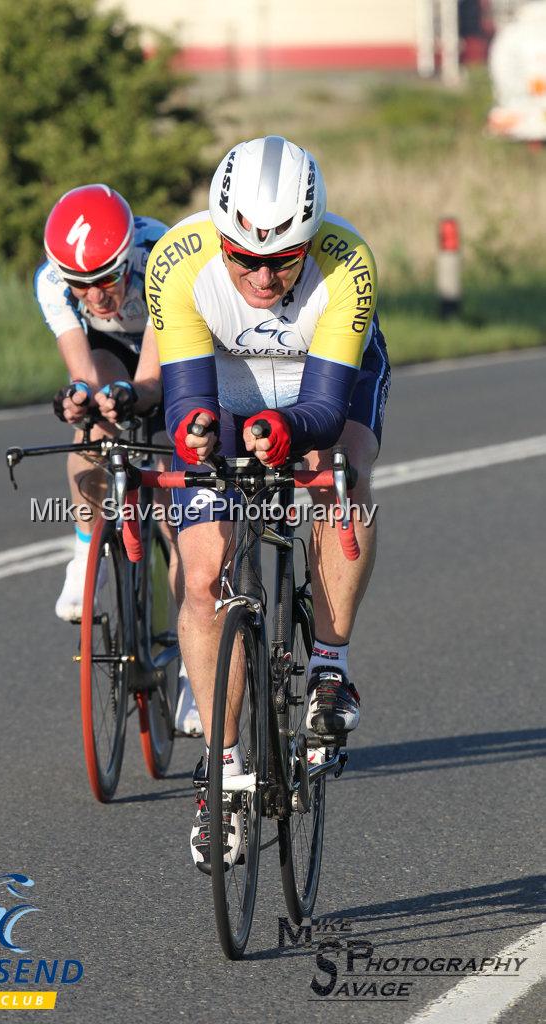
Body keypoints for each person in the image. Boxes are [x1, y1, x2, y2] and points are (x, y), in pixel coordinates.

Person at [144, 136, 391, 871]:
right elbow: (188, 402)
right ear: (217, 235)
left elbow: (320, 405)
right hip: (223, 382)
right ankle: (220, 778)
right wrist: (197, 436)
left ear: (309, 240)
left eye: (282, 258)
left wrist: (288, 432)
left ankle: (328, 660)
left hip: (320, 380)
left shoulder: (346, 261)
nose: (260, 274)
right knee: (201, 572)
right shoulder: (178, 261)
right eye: (241, 256)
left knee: (339, 472)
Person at [34, 184, 202, 735]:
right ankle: (85, 555)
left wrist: (136, 396)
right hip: (111, 355)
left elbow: (154, 380)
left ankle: (194, 680)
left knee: (180, 523)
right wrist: (79, 401)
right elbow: (82, 368)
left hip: (173, 356)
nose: (97, 296)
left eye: (107, 279)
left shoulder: (160, 259)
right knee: (91, 422)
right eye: (81, 286)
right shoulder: (51, 283)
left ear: (128, 257)